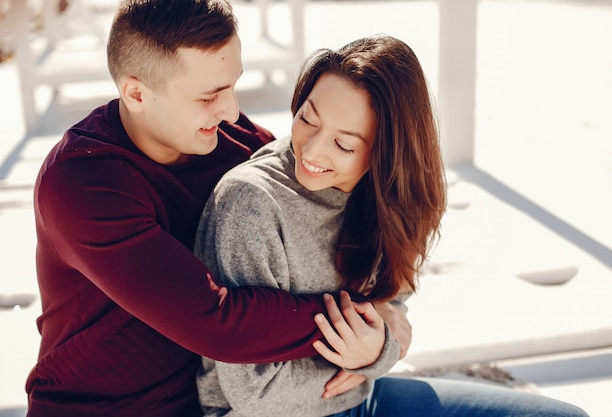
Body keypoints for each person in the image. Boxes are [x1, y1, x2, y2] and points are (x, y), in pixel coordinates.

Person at [25, 1, 401, 416]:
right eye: (209, 96)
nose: (232, 110)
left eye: (232, 85)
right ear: (136, 93)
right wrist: (358, 324)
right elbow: (216, 319)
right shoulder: (83, 182)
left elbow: (325, 222)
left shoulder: (238, 142)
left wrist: (388, 316)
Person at [194, 35, 590, 417]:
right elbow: (255, 392)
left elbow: (391, 302)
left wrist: (378, 347)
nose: (312, 150)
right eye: (307, 119)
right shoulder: (251, 204)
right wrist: (378, 355)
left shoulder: (392, 197)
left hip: (356, 399)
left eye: (344, 144)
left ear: (386, 151)